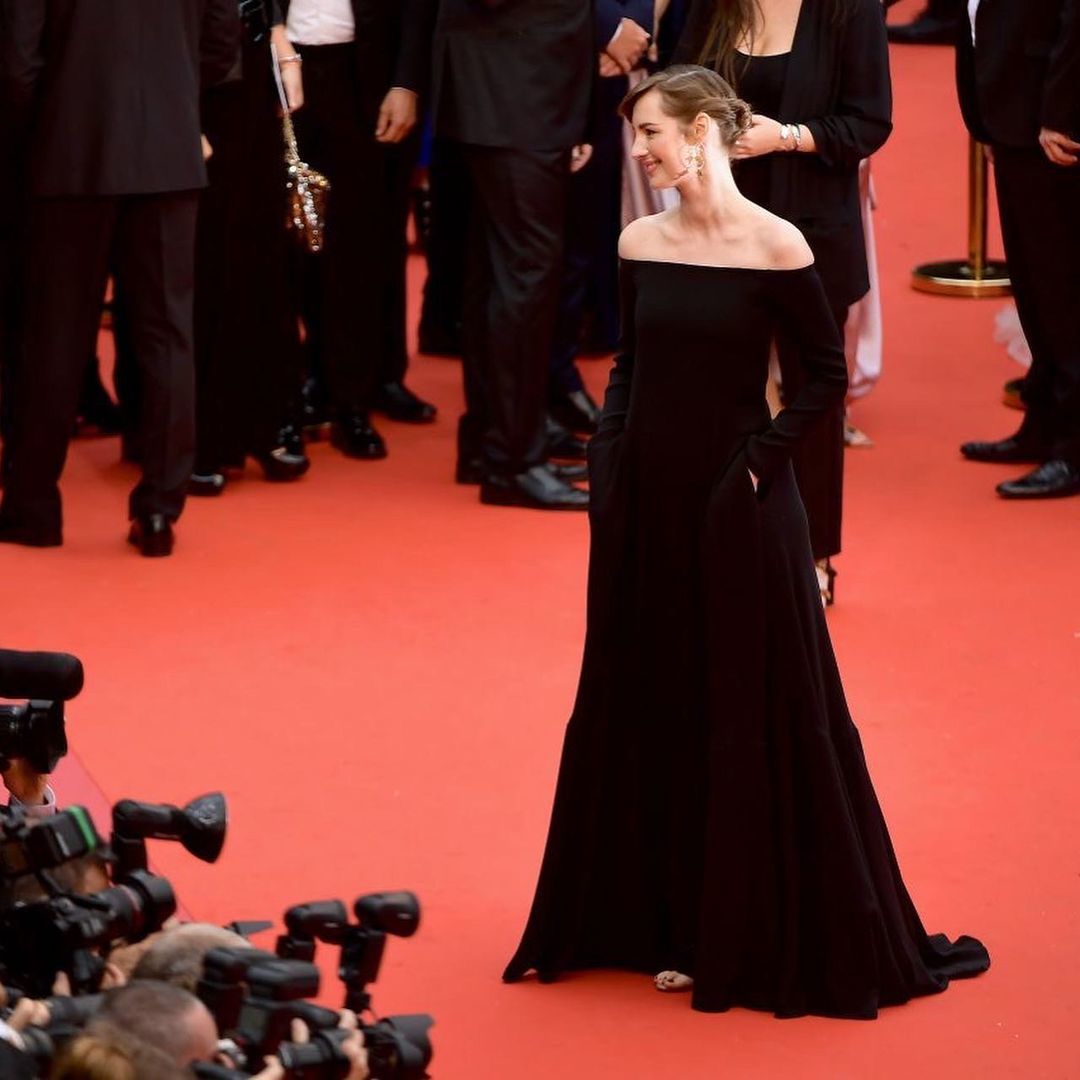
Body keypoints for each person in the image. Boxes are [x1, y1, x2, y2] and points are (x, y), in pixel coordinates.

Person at [503, 67, 989, 1017]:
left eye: (650, 131)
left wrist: (758, 467)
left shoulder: (777, 243)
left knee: (741, 703)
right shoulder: (641, 240)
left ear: (700, 132)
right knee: (652, 695)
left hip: (741, 503)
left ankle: (730, 926)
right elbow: (632, 365)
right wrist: (609, 456)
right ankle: (658, 918)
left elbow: (821, 378)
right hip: (645, 502)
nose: (639, 150)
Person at [0, 0, 240, 556]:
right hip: (170, 148)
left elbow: (17, 64)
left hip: (69, 149)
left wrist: (39, 133)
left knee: (55, 332)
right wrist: (174, 96)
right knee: (168, 332)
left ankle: (32, 506)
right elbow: (222, 40)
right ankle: (158, 511)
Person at [676, 0, 892, 603]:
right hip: (719, 230)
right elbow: (679, 90)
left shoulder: (850, 11)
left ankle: (812, 554)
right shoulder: (716, 5)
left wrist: (788, 138)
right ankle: (718, 542)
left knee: (811, 396)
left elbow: (870, 122)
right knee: (715, 390)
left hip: (812, 231)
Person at [431, 0, 594, 510]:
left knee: (497, 271)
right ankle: (512, 460)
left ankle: (494, 442)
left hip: (520, 86)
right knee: (524, 273)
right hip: (513, 91)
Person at [283, 0, 437, 463]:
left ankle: (355, 394)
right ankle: (301, 384)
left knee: (362, 240)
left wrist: (406, 82)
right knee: (290, 236)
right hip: (279, 65)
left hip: (365, 70)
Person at [956, 0, 1080, 498]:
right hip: (1009, 114)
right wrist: (985, 119)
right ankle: (1044, 424)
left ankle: (1074, 448)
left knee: (1062, 290)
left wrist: (1062, 114)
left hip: (1049, 122)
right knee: (1032, 288)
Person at [188, 1, 311, 497]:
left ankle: (263, 422)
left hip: (252, 74)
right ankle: (193, 436)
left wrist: (281, 39)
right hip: (189, 78)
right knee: (203, 260)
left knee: (260, 256)